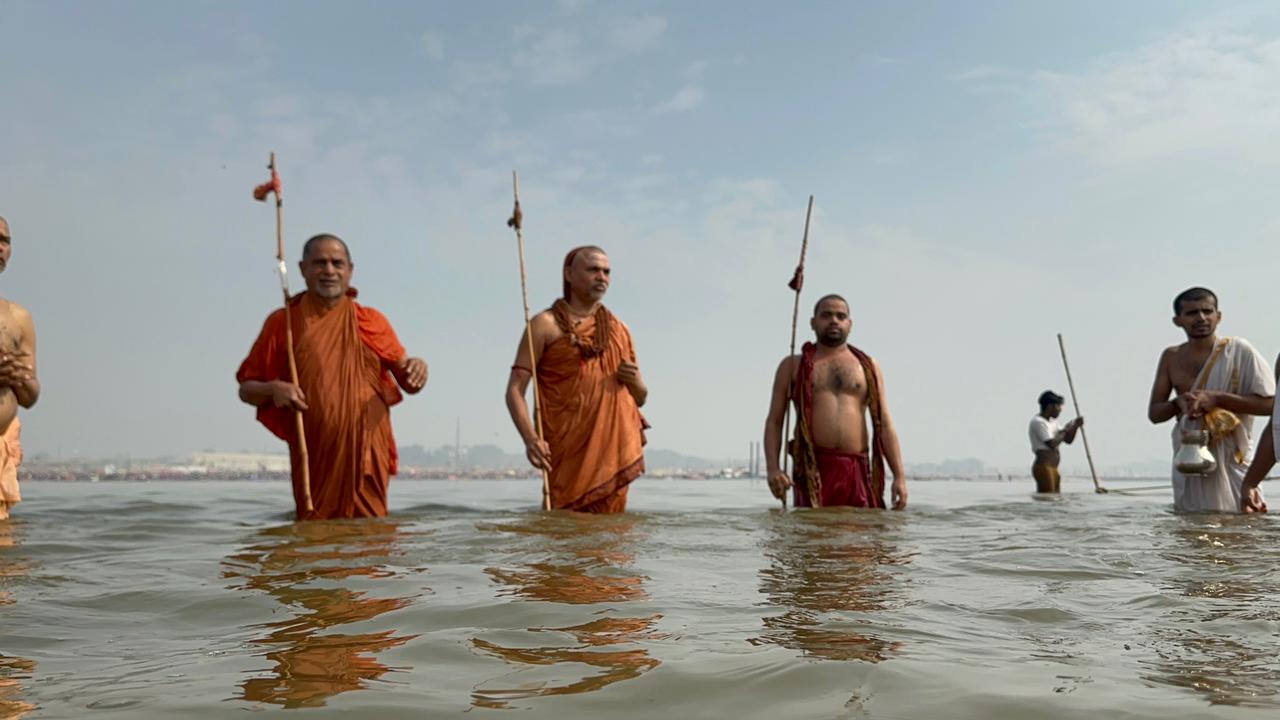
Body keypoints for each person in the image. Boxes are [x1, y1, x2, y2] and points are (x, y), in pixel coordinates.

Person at [236, 234, 427, 520]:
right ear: (302, 269)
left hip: (366, 451)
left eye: (337, 263)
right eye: (319, 263)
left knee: (371, 540)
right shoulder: (284, 323)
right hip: (314, 453)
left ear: (350, 270)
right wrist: (274, 388)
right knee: (313, 534)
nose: (329, 271)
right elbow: (246, 389)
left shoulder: (371, 321)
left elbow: (408, 382)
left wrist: (418, 367)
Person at [504, 246, 647, 512]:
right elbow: (514, 390)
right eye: (593, 270)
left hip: (611, 454)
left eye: (606, 271)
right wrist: (530, 439)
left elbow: (640, 398)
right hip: (565, 449)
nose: (602, 277)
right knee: (563, 532)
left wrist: (637, 382)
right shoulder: (544, 325)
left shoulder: (619, 329)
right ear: (569, 274)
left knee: (612, 544)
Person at [763, 294, 906, 509]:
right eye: (826, 315)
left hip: (857, 468)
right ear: (813, 322)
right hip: (812, 469)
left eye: (841, 316)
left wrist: (899, 476)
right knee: (813, 538)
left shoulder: (868, 367)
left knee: (859, 538)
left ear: (849, 324)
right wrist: (773, 469)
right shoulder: (793, 366)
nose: (834, 320)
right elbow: (775, 421)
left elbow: (884, 423)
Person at [1147, 287, 1273, 513]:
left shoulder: (1239, 351)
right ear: (1178, 320)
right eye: (1192, 313)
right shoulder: (1171, 357)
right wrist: (1178, 404)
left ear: (1219, 316)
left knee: (1243, 527)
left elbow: (1271, 405)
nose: (1201, 318)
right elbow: (1155, 414)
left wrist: (1218, 399)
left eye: (1207, 311)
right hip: (1190, 458)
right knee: (1190, 527)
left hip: (1234, 458)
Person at [0, 216, 40, 521]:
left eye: (4, 241)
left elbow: (30, 396)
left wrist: (18, 377)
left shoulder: (17, 317)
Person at [1027, 390, 1083, 493]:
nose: (1060, 410)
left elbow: (1068, 440)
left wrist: (1075, 427)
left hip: (1053, 468)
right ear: (1049, 406)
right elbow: (1052, 443)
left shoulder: (1053, 422)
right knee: (1047, 498)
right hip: (1044, 467)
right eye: (1058, 406)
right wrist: (1065, 430)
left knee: (1055, 499)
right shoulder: (1038, 422)